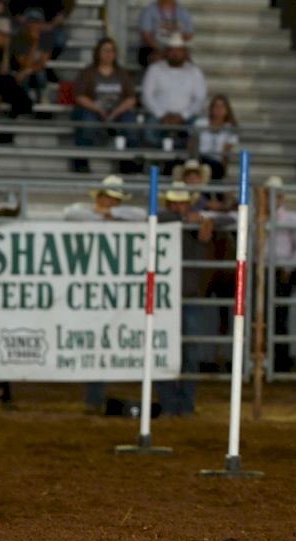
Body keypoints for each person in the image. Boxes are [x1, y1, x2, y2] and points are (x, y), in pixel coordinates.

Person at [65, 175, 146, 413]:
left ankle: (97, 398)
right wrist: (104, 215)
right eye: (107, 198)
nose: (110, 203)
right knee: (97, 342)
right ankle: (94, 397)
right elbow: (70, 213)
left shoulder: (125, 215)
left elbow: (140, 214)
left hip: (116, 287)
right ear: (98, 197)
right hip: (96, 287)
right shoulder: (85, 213)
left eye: (115, 199)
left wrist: (111, 216)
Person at [153, 182, 218, 415]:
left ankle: (184, 405)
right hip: (167, 297)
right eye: (175, 203)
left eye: (182, 202)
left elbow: (209, 228)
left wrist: (202, 222)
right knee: (166, 352)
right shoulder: (164, 220)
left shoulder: (193, 223)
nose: (178, 207)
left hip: (184, 295)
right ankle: (173, 405)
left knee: (188, 354)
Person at [260, 176, 296, 372]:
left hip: (280, 271)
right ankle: (265, 359)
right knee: (261, 317)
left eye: (276, 196)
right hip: (261, 270)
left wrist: (288, 267)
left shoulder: (291, 219)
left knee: (278, 317)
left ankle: (279, 360)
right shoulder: (258, 216)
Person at [72, 37, 138, 173]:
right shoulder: (88, 72)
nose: (108, 54)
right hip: (93, 110)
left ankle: (128, 161)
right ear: (98, 53)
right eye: (105, 50)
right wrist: (98, 109)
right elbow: (79, 96)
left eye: (112, 51)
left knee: (129, 122)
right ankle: (81, 160)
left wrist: (115, 112)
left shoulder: (122, 74)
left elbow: (131, 98)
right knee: (87, 121)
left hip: (117, 112)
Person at [140, 33, 206, 149]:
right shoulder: (155, 69)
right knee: (148, 133)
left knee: (199, 131)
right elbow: (147, 96)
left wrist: (182, 116)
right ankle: (162, 157)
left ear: (185, 53)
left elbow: (200, 99)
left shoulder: (195, 72)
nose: (175, 54)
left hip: (186, 117)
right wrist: (162, 115)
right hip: (159, 115)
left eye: (179, 50)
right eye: (172, 50)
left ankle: (180, 155)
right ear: (166, 52)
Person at [191, 94, 238, 180]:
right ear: (211, 108)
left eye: (222, 106)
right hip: (200, 159)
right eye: (216, 106)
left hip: (216, 163)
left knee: (216, 170)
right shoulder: (200, 123)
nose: (219, 109)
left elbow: (225, 154)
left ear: (227, 109)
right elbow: (191, 144)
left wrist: (225, 171)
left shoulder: (230, 128)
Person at [7, 0, 74, 59]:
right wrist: (25, 22)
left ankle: (44, 63)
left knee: (60, 40)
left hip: (49, 26)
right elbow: (12, 8)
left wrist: (52, 24)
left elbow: (69, 5)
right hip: (24, 26)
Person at [12, 9, 53, 102]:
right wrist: (34, 44)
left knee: (40, 74)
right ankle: (25, 102)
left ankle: (42, 100)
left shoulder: (47, 39)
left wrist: (27, 71)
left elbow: (42, 63)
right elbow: (24, 64)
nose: (34, 26)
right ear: (26, 24)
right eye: (31, 22)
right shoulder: (18, 39)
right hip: (21, 71)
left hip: (32, 73)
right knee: (23, 78)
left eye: (37, 23)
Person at [137, 0, 193, 67]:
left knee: (187, 61)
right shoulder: (149, 11)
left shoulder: (183, 11)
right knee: (156, 58)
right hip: (152, 47)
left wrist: (175, 46)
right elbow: (146, 36)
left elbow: (189, 34)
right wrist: (162, 50)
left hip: (175, 47)